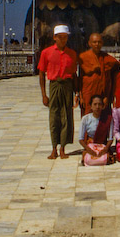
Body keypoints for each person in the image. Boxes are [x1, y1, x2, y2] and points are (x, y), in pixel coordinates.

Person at [37, 24, 79, 160]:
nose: (63, 40)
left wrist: (76, 93)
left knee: (66, 115)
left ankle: (63, 148)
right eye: (60, 37)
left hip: (67, 85)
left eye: (65, 37)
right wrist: (44, 94)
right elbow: (41, 73)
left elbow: (74, 74)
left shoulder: (71, 54)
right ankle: (54, 147)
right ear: (55, 37)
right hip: (54, 84)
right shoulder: (46, 53)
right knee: (54, 116)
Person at [79, 33, 119, 114]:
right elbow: (80, 78)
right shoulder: (83, 57)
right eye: (94, 42)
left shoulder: (107, 59)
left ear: (102, 43)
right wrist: (80, 96)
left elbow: (113, 75)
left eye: (99, 42)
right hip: (88, 94)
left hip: (103, 95)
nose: (97, 44)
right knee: (88, 119)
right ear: (89, 43)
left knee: (103, 121)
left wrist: (109, 96)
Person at [79, 94, 114, 165]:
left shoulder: (108, 119)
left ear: (103, 106)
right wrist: (89, 150)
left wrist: (105, 149)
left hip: (103, 146)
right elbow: (81, 139)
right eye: (95, 104)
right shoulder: (85, 119)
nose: (97, 107)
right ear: (91, 106)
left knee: (106, 159)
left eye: (99, 104)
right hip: (91, 146)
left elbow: (110, 139)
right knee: (88, 159)